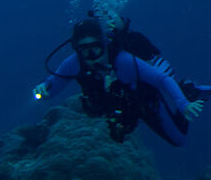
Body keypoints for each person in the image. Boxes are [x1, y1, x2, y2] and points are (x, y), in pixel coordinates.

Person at [34, 15, 205, 146]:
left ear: (104, 44)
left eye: (96, 48)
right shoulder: (74, 63)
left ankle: (188, 91)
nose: (92, 56)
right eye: (85, 50)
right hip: (118, 107)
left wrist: (183, 104)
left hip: (143, 98)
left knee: (179, 139)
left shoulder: (123, 61)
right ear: (77, 50)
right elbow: (53, 85)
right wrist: (43, 89)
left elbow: (162, 79)